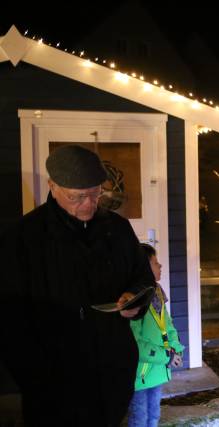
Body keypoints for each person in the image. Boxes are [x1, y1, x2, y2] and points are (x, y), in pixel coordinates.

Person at [0, 145, 156, 426]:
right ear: (52, 186)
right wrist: (33, 376)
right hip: (52, 383)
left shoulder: (118, 229)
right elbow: (10, 319)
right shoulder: (23, 238)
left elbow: (143, 278)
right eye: (77, 196)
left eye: (96, 193)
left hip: (112, 374)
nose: (88, 204)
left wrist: (135, 299)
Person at [128, 243, 184, 427]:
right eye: (155, 262)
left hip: (157, 370)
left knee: (154, 417)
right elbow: (134, 344)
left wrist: (176, 349)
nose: (160, 266)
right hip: (140, 374)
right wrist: (167, 356)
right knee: (140, 419)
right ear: (144, 267)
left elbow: (168, 325)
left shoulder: (157, 292)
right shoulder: (133, 299)